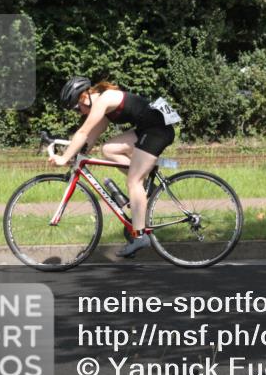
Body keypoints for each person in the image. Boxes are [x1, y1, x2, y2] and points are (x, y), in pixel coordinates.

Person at [54, 76, 177, 258]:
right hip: (148, 128)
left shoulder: (104, 99)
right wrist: (79, 156)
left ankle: (139, 236)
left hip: (157, 130)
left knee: (133, 182)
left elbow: (83, 131)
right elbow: (92, 136)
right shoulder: (102, 106)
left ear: (83, 97)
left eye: (76, 108)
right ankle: (142, 183)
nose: (78, 113)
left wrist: (64, 158)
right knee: (109, 149)